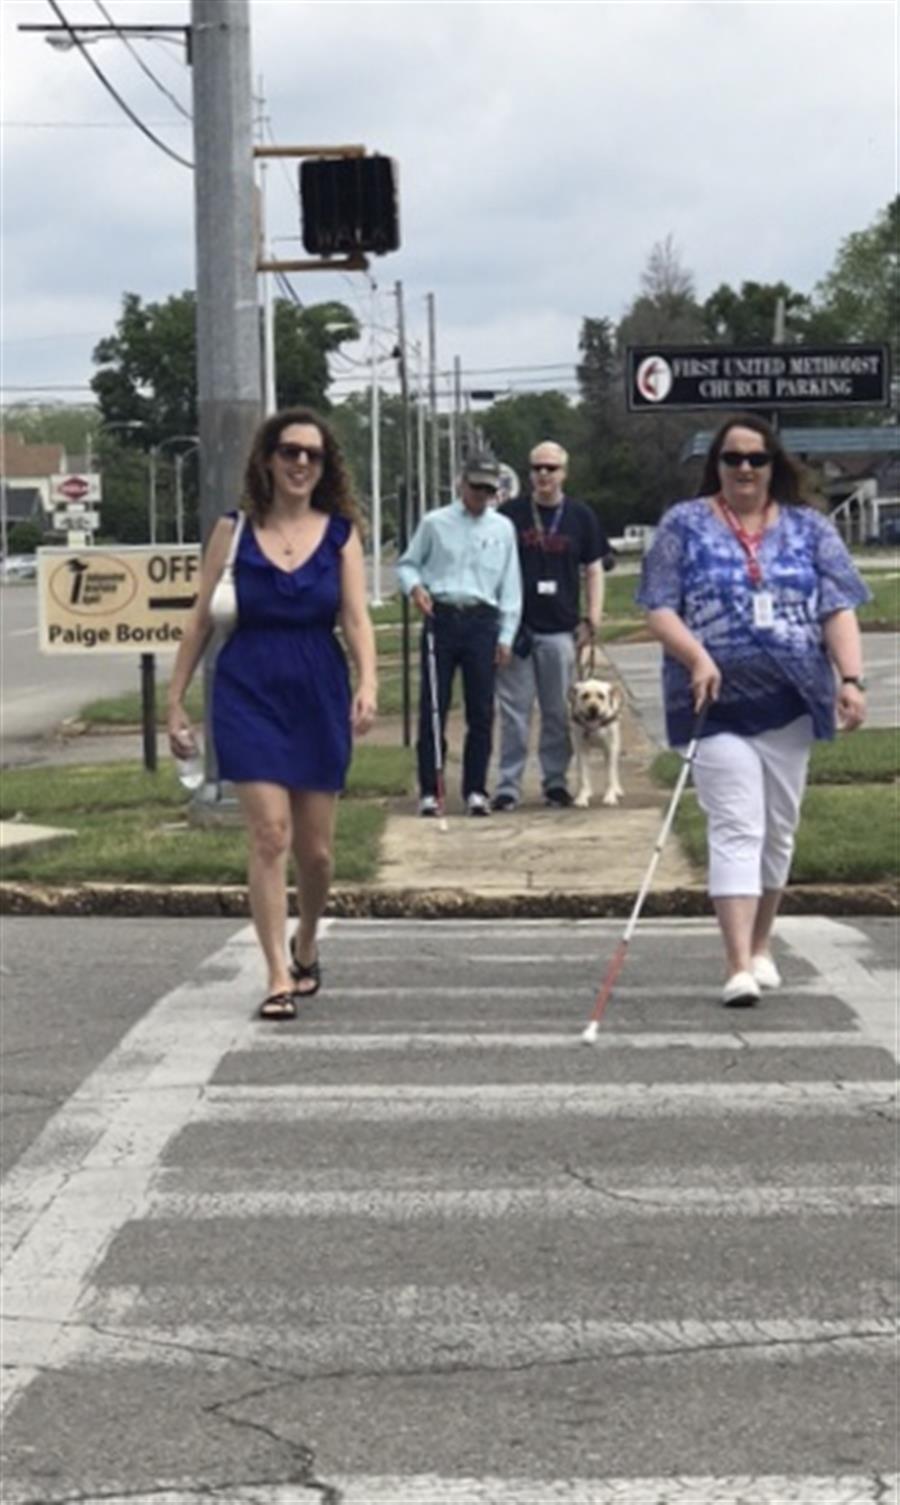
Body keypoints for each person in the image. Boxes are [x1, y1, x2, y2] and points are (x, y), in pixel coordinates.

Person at [637, 413, 868, 1008]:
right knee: (736, 824)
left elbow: (837, 608)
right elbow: (659, 607)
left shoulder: (809, 528)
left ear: (774, 466)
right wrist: (697, 657)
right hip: (714, 705)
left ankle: (762, 944)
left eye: (755, 459)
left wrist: (850, 678)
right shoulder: (683, 526)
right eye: (732, 458)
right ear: (716, 465)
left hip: (791, 702)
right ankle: (736, 964)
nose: (744, 469)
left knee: (777, 832)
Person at [166, 407, 377, 1020]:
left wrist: (367, 682)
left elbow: (357, 618)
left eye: (313, 455)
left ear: (325, 466)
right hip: (247, 689)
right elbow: (201, 619)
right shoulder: (232, 532)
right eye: (289, 451)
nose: (301, 463)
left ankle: (306, 940)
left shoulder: (340, 534)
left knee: (315, 853)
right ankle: (277, 975)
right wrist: (176, 701)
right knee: (270, 836)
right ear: (267, 458)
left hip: (317, 689)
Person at [396, 453, 522, 816]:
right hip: (443, 617)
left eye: (488, 489)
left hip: (483, 621)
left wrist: (506, 635)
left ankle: (476, 790)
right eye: (475, 487)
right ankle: (431, 791)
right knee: (433, 706)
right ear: (460, 484)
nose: (481, 495)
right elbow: (408, 564)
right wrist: (415, 588)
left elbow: (510, 586)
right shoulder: (435, 523)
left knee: (481, 710)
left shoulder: (502, 529)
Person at [493, 440, 610, 810]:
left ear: (564, 473)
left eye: (551, 468)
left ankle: (555, 782)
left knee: (558, 711)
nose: (543, 474)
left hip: (561, 629)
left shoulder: (581, 516)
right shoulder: (509, 515)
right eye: (537, 468)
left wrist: (593, 616)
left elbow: (593, 568)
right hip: (518, 629)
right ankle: (509, 785)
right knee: (514, 711)